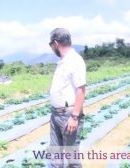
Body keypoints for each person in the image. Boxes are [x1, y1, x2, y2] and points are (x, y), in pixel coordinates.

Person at [48, 28, 86, 168]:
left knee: (72, 159)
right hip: (56, 114)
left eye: (51, 45)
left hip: (68, 116)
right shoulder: (63, 61)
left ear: (55, 43)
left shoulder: (75, 60)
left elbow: (81, 91)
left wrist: (74, 117)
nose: (52, 49)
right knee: (55, 156)